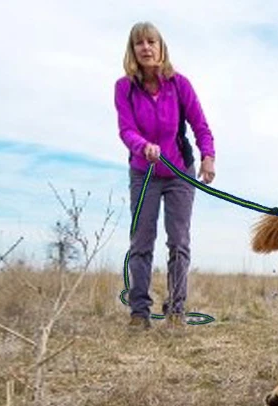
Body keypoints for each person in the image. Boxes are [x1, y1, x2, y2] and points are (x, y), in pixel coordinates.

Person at [115, 22, 215, 329]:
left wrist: (208, 157)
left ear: (161, 48)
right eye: (139, 43)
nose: (146, 48)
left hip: (178, 174)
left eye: (151, 42)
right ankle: (139, 312)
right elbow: (126, 129)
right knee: (142, 241)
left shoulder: (179, 84)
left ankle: (176, 310)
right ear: (132, 51)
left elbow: (200, 125)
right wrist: (142, 146)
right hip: (143, 173)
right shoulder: (124, 87)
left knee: (179, 241)